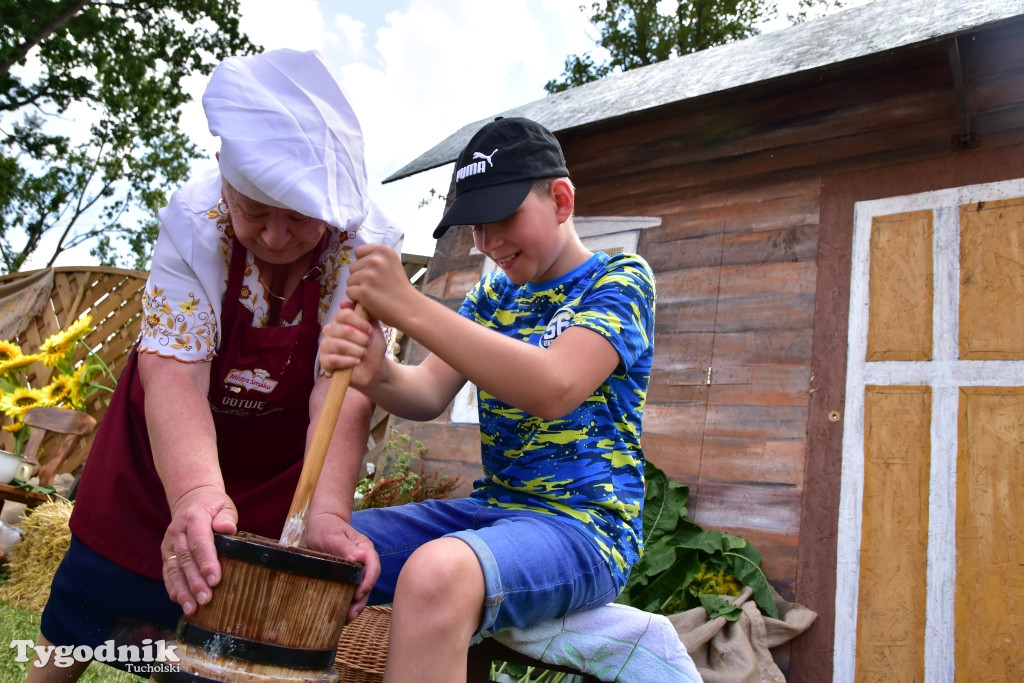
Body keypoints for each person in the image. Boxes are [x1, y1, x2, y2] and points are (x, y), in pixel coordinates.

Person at [27, 49, 397, 682]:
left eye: (299, 217)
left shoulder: (365, 247)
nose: (276, 237)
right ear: (225, 172)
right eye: (254, 210)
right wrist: (197, 494)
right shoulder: (195, 219)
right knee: (87, 603)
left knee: (232, 645)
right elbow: (175, 372)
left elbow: (341, 389)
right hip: (164, 455)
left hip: (278, 469)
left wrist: (327, 516)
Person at [319, 116, 656, 682]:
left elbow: (555, 386)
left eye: (504, 217)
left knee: (437, 573)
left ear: (561, 200)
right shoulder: (493, 293)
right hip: (494, 512)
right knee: (327, 554)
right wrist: (376, 372)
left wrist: (409, 306)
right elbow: (426, 393)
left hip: (585, 529)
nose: (490, 242)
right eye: (477, 226)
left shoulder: (621, 280)